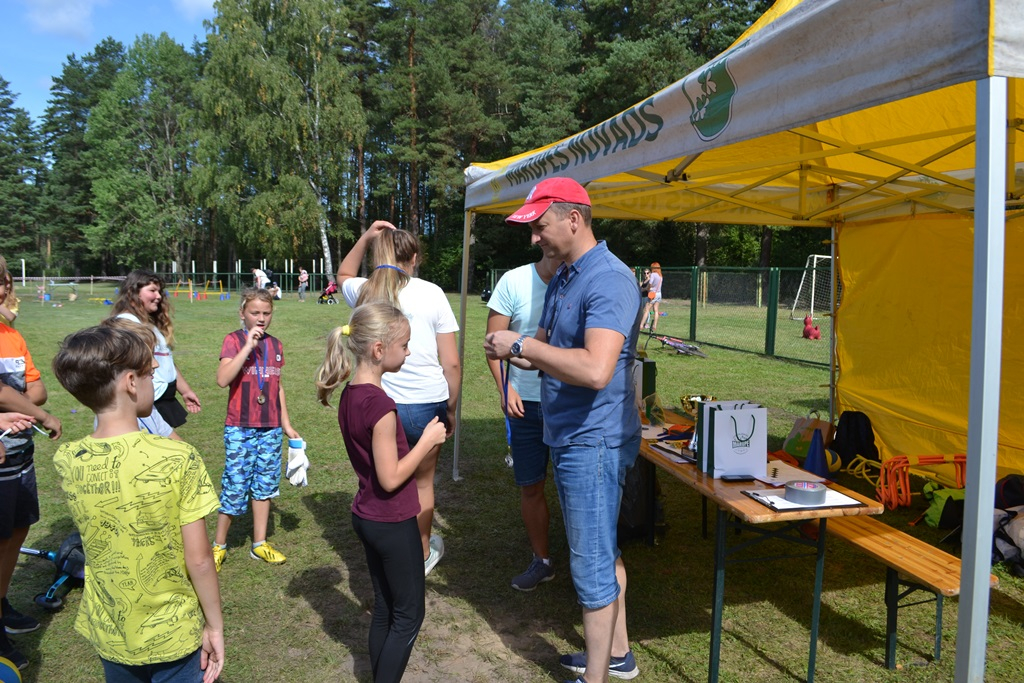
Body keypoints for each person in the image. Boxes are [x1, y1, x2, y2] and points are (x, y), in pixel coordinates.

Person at [484, 177, 642, 683]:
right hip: (569, 433)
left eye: (541, 226)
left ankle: (597, 678)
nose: (535, 239)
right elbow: (546, 350)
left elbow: (596, 369)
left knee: (591, 565)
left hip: (592, 439)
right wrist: (513, 349)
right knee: (602, 550)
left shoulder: (609, 279)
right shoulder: (567, 277)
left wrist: (520, 347)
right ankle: (618, 656)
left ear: (574, 220)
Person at [51, 325, 224, 683]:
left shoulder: (69, 458)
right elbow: (200, 558)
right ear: (131, 381)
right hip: (174, 631)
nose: (155, 377)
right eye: (149, 372)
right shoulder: (179, 458)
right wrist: (215, 625)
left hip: (110, 630)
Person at [315, 302, 447, 683]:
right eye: (404, 345)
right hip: (391, 520)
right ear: (378, 350)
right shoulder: (382, 407)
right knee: (409, 616)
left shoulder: (351, 395)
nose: (408, 352)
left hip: (367, 517)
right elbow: (390, 478)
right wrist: (426, 442)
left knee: (387, 610)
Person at [337, 221, 460, 576]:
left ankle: (390, 554)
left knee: (382, 482)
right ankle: (420, 553)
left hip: (377, 404)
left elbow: (343, 271)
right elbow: (450, 361)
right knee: (422, 484)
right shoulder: (433, 293)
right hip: (426, 403)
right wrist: (450, 409)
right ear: (415, 258)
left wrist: (364, 237)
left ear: (378, 253)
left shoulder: (364, 288)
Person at [0, 257, 62, 672]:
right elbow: (23, 398)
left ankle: (1, 605)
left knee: (17, 530)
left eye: (3, 276)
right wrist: (36, 413)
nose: (4, 284)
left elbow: (35, 388)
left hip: (20, 451)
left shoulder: (11, 333)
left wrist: (17, 403)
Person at [212, 287, 302, 570]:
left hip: (270, 428)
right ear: (243, 313)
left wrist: (286, 424)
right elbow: (223, 379)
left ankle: (259, 544)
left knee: (265, 485)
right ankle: (219, 545)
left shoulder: (276, 345)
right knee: (235, 485)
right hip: (240, 426)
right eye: (255, 313)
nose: (261, 318)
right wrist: (248, 347)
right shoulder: (233, 340)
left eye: (266, 313)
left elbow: (277, 386)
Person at [485, 253, 559, 591]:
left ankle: (589, 564)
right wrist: (506, 388)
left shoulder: (581, 280)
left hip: (568, 403)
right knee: (531, 485)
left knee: (575, 489)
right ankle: (541, 561)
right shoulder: (513, 281)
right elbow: (492, 345)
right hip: (525, 405)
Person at [110, 270, 201, 428]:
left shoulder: (147, 324)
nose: (158, 296)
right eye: (152, 290)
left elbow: (164, 360)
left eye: (159, 291)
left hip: (161, 400)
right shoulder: (127, 325)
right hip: (145, 404)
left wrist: (185, 391)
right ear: (133, 292)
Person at [97, 317, 182, 440]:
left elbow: (175, 441)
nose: (156, 364)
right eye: (147, 357)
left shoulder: (145, 408)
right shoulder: (118, 428)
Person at [640, 262, 663, 333]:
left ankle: (641, 325)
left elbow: (650, 284)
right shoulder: (660, 276)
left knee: (646, 310)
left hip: (653, 294)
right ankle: (654, 326)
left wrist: (648, 289)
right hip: (659, 293)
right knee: (656, 310)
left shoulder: (653, 275)